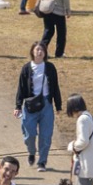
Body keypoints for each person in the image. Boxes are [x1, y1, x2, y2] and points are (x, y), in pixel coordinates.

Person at [14, 40, 63, 170]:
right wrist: (18, 106)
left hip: (46, 104)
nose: (39, 52)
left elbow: (55, 87)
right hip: (30, 105)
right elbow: (21, 87)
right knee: (29, 134)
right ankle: (31, 151)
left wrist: (58, 105)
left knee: (45, 135)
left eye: (42, 50)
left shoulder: (50, 67)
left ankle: (42, 161)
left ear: (45, 53)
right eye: (37, 50)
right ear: (32, 52)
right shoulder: (26, 68)